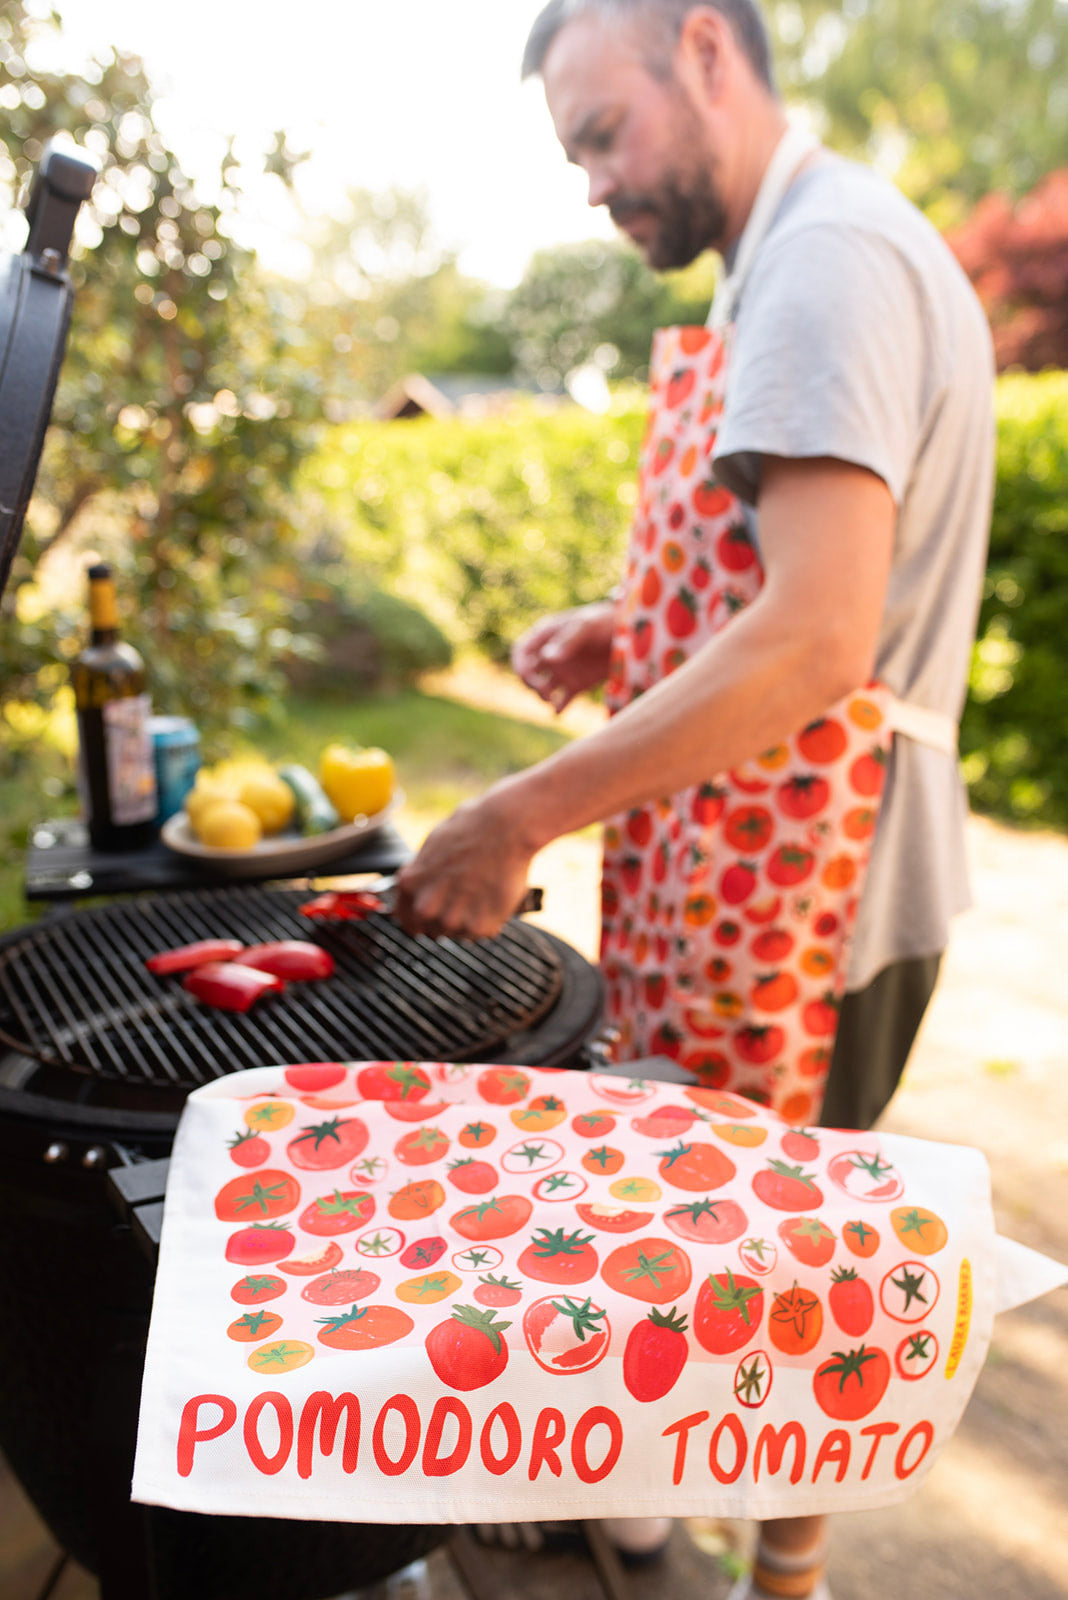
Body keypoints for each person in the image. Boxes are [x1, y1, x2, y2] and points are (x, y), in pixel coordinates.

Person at [396, 2, 995, 1592]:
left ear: (707, 51)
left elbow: (818, 636)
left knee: (786, 1248)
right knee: (701, 1211)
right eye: (575, 154)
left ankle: (778, 1578)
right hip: (748, 850)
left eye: (604, 132)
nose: (594, 183)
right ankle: (643, 1506)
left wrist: (519, 814)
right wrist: (633, 626)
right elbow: (787, 572)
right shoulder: (783, 254)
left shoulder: (826, 262)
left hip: (818, 871)